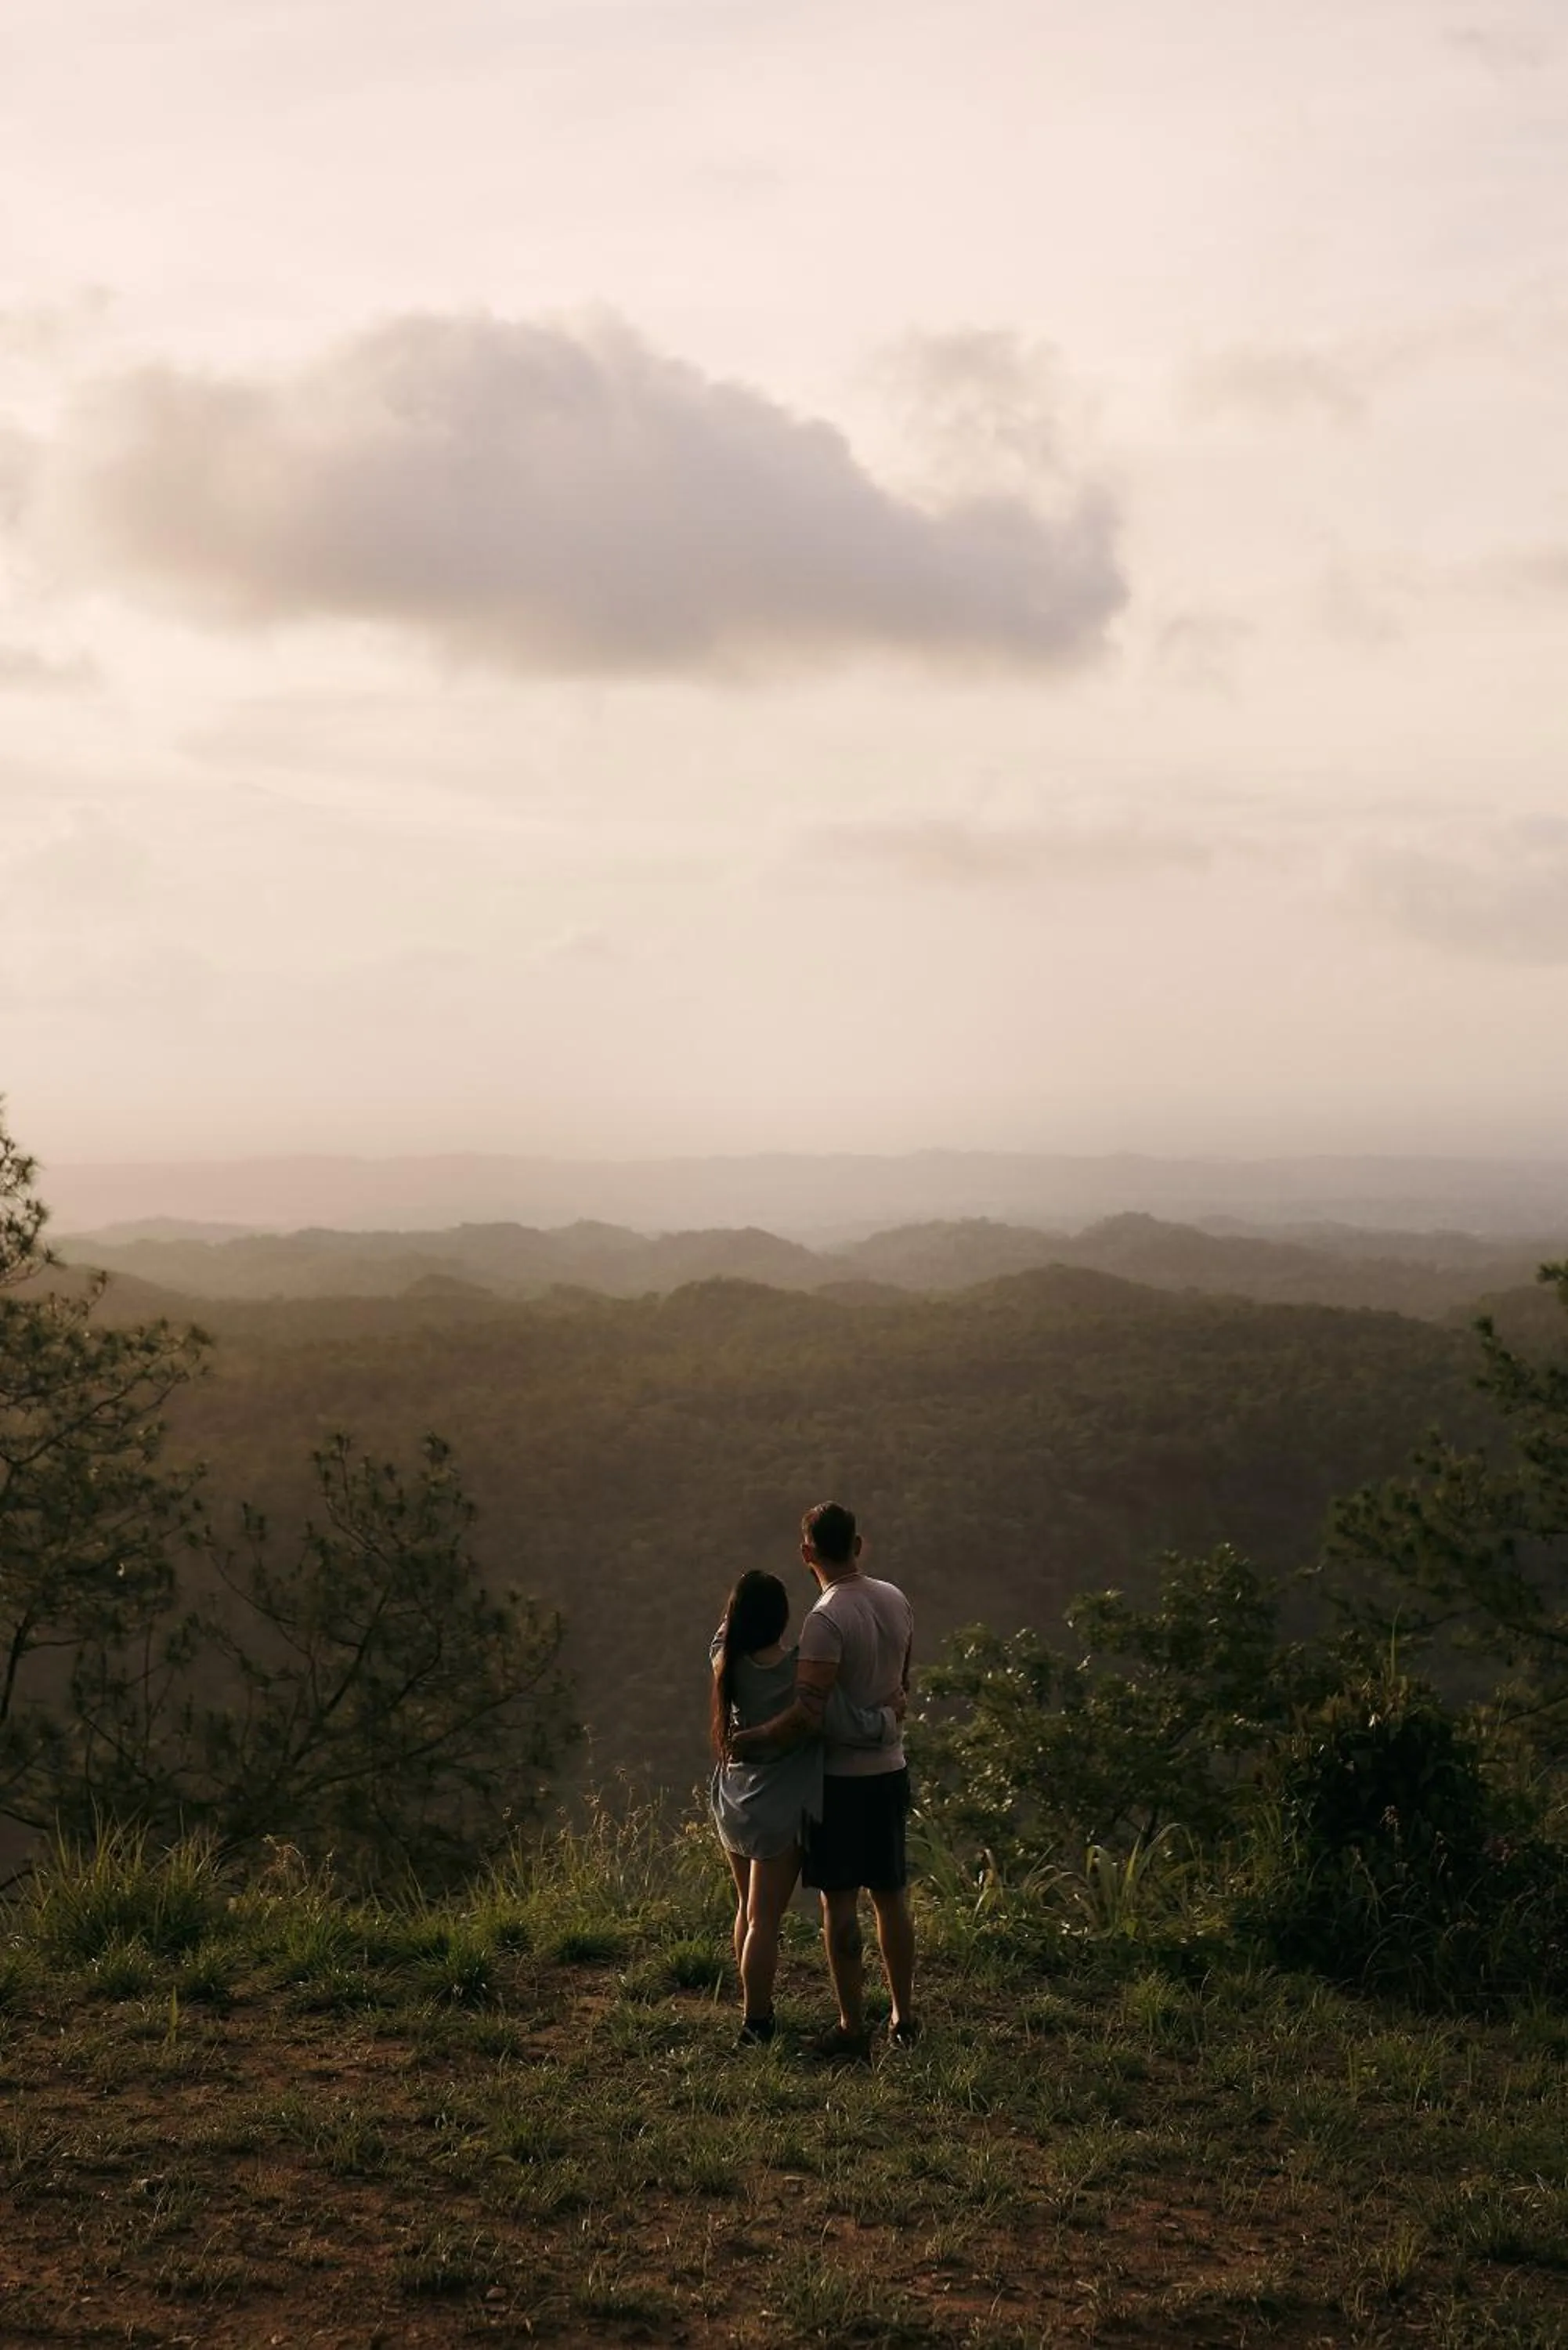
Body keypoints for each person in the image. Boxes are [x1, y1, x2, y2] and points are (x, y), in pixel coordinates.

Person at [728, 1502, 916, 2059]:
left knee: (841, 1907)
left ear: (807, 1553)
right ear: (859, 1545)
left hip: (840, 1779)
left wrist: (756, 1738)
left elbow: (811, 1712)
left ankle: (852, 2028)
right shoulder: (896, 1598)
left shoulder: (824, 1619)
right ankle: (904, 2018)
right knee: (893, 1898)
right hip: (891, 1770)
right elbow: (901, 1682)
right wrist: (886, 1722)